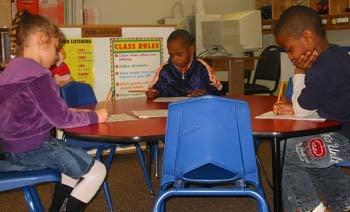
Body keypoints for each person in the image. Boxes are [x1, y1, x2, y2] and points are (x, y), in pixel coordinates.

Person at [0, 10, 108, 212]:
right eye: (56, 48)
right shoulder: (39, 75)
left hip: (12, 152)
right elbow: (61, 120)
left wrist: (68, 111)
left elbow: (33, 111)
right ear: (42, 40)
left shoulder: (8, 73)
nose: (57, 57)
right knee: (97, 172)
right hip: (36, 149)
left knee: (71, 171)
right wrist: (96, 116)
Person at [273, 5, 350, 212]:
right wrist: (296, 106)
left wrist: (299, 72)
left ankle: (309, 208)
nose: (289, 56)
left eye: (289, 49)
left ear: (307, 37)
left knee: (287, 150)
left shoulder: (324, 68)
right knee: (308, 156)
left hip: (344, 139)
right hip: (339, 132)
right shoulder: (334, 55)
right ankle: (344, 201)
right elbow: (311, 102)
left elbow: (303, 109)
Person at [146, 29, 223, 99]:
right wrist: (153, 93)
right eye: (171, 55)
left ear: (191, 50)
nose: (175, 59)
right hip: (170, 109)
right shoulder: (165, 70)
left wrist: (205, 92)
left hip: (197, 108)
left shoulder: (202, 67)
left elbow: (218, 89)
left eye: (179, 54)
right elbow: (155, 88)